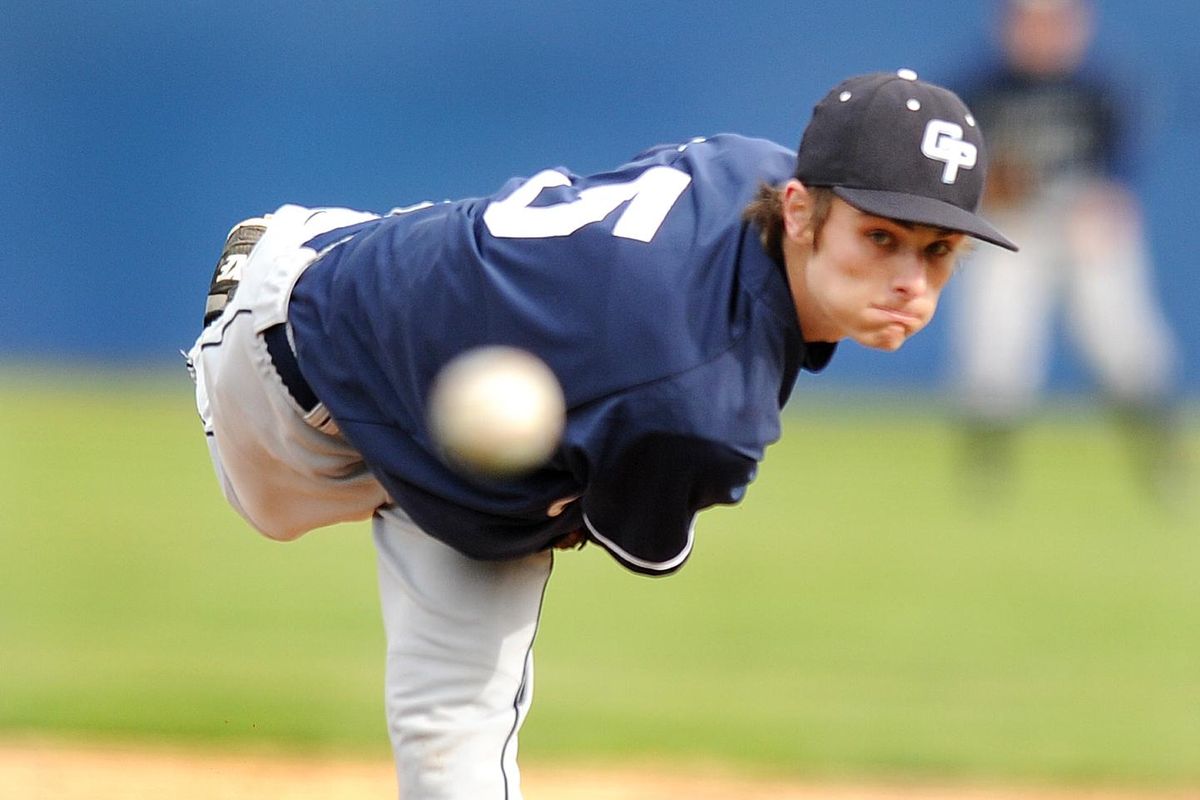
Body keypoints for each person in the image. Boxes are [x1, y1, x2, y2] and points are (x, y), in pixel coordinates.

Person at [186, 70, 1015, 799]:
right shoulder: (702, 405)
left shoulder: (751, 165)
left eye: (938, 249)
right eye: (880, 237)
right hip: (295, 388)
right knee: (444, 622)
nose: (911, 279)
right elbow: (632, 536)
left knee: (459, 742)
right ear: (800, 211)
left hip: (383, 283)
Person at [948, 0, 1182, 498]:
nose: (1042, 33)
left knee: (1124, 348)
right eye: (1031, 21)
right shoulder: (980, 87)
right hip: (1012, 227)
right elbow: (959, 167)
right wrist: (988, 188)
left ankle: (1163, 465)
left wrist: (1104, 205)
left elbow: (1120, 172)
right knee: (994, 351)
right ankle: (986, 476)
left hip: (1084, 225)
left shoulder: (1100, 86)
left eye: (1054, 21)